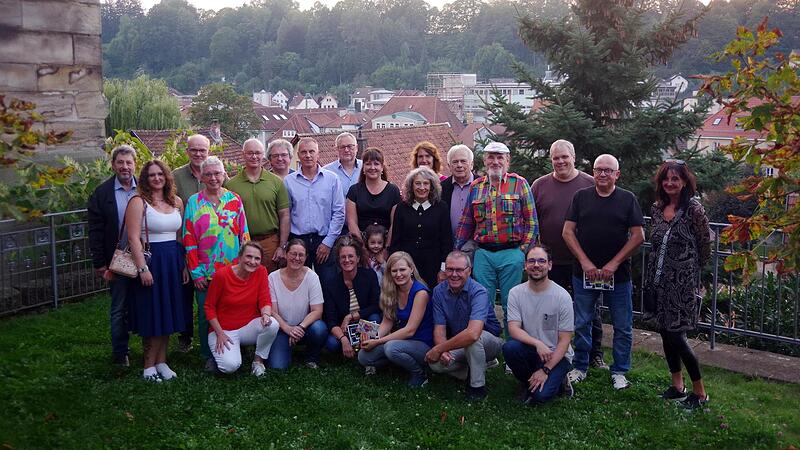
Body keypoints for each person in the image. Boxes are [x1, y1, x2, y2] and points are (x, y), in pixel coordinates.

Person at [563, 154, 644, 390]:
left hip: (617, 276)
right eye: (599, 170)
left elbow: (639, 236)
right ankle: (580, 366)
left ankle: (619, 371)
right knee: (582, 322)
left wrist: (614, 264)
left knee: (622, 325)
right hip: (584, 273)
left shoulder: (627, 199)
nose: (602, 174)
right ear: (593, 172)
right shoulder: (581, 197)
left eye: (608, 170)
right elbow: (568, 232)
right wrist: (585, 262)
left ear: (617, 174)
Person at [532, 139, 607, 369]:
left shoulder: (590, 183)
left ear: (573, 157)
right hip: (550, 262)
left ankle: (594, 353)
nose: (560, 161)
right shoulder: (539, 185)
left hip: (583, 261)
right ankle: (552, 349)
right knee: (548, 308)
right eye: (556, 158)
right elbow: (532, 220)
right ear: (551, 159)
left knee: (589, 309)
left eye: (564, 157)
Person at [644, 160, 711, 409]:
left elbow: (705, 248)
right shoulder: (657, 208)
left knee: (677, 336)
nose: (670, 183)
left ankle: (700, 392)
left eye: (675, 179)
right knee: (665, 333)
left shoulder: (694, 210)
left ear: (684, 182)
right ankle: (677, 386)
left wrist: (689, 275)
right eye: (666, 179)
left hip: (681, 286)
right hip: (659, 283)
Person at [454, 141, 539, 335]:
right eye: (491, 157)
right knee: (483, 303)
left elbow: (532, 222)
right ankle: (489, 347)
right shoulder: (476, 186)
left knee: (512, 304)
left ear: (507, 161)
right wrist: (456, 253)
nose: (495, 161)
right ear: (484, 161)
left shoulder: (519, 183)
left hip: (512, 253)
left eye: (500, 157)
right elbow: (466, 222)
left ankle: (512, 347)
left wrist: (522, 252)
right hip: (483, 254)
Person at [183, 156, 251, 372]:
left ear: (224, 175)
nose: (213, 178)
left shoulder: (235, 200)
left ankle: (236, 348)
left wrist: (245, 267)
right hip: (205, 272)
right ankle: (208, 354)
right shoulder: (194, 202)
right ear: (202, 177)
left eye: (217, 173)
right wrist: (196, 273)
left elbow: (244, 235)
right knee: (206, 315)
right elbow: (189, 238)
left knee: (234, 310)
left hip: (233, 271)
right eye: (209, 174)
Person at [125, 160, 188, 382]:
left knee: (168, 311)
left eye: (160, 174)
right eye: (151, 175)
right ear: (145, 178)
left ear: (166, 176)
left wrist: (183, 264)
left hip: (172, 261)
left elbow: (180, 236)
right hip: (152, 261)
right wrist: (142, 268)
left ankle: (162, 362)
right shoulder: (138, 202)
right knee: (152, 313)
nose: (157, 178)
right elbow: (133, 238)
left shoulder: (176, 202)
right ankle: (148, 366)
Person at [425, 251, 503, 401]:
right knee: (435, 364)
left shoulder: (479, 291)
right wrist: (442, 352)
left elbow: (473, 333)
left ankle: (477, 388)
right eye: (450, 269)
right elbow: (439, 329)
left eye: (459, 270)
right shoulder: (438, 292)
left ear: (469, 270)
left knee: (473, 341)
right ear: (445, 270)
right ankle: (478, 367)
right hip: (460, 343)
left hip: (488, 341)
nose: (454, 274)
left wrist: (439, 348)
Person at [503, 244, 574, 404]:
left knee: (541, 397)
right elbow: (513, 329)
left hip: (557, 355)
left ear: (549, 265)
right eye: (531, 261)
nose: (536, 265)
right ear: (525, 265)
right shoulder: (515, 293)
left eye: (541, 261)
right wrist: (537, 343)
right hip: (532, 349)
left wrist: (546, 369)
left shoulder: (562, 296)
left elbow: (564, 340)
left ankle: (559, 379)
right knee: (510, 348)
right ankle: (526, 382)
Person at [87, 144, 138, 367]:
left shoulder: (145, 188)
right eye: (120, 162)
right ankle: (120, 352)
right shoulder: (102, 193)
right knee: (119, 307)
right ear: (113, 165)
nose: (125, 167)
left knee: (145, 302)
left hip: (145, 257)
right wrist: (100, 263)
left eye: (129, 162)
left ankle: (150, 347)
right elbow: (95, 230)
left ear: (135, 165)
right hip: (117, 259)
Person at [358, 251, 434, 386]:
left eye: (402, 269)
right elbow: (387, 322)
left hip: (422, 343)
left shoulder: (420, 292)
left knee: (391, 348)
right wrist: (371, 338)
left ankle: (420, 373)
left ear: (411, 269)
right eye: (394, 271)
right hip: (401, 341)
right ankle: (399, 364)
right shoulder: (392, 290)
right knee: (363, 356)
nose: (398, 274)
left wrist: (378, 341)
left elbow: (410, 330)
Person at [204, 242, 279, 376]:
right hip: (224, 330)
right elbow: (209, 307)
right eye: (248, 257)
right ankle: (225, 355)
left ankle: (258, 362)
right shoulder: (222, 275)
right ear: (240, 257)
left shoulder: (261, 271)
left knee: (272, 324)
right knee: (230, 366)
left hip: (248, 327)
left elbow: (264, 299)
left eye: (257, 259)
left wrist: (266, 314)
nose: (252, 262)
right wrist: (220, 333)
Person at [172, 134, 213, 353]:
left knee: (213, 294)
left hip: (212, 247)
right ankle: (185, 336)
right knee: (185, 292)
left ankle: (217, 333)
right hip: (184, 243)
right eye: (194, 150)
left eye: (202, 150)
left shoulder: (217, 173)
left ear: (209, 151)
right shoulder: (176, 177)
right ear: (187, 151)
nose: (198, 154)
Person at [226, 138, 290, 272]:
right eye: (250, 153)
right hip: (242, 243)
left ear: (263, 155)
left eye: (258, 153)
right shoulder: (231, 185)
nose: (254, 156)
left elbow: (284, 215)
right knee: (244, 282)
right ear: (243, 154)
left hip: (270, 242)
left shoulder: (276, 182)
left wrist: (282, 246)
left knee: (269, 284)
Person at [284, 137, 345, 274]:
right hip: (298, 241)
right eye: (304, 152)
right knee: (298, 283)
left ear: (318, 154)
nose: (308, 155)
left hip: (324, 240)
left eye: (312, 151)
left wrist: (328, 242)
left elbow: (339, 213)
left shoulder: (332, 179)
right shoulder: (289, 182)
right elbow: (285, 214)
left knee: (329, 285)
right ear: (298, 155)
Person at [267, 239, 328, 369]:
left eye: (301, 255)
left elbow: (317, 311)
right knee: (278, 366)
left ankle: (311, 357)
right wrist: (288, 329)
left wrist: (300, 327)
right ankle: (284, 346)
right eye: (293, 254)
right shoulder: (272, 277)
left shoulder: (312, 277)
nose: (297, 258)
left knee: (320, 328)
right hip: (281, 329)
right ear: (286, 254)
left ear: (306, 257)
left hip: (305, 328)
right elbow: (272, 311)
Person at [388, 167, 452, 288]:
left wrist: (443, 269)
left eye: (426, 183)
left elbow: (446, 242)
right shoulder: (401, 208)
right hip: (407, 267)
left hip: (433, 266)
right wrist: (395, 267)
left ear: (432, 186)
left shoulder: (441, 207)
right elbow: (396, 241)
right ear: (411, 186)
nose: (422, 187)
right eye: (417, 183)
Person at [322, 236, 382, 360]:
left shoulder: (369, 275)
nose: (347, 260)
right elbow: (331, 319)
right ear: (338, 260)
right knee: (332, 344)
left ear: (358, 258)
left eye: (351, 256)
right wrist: (343, 339)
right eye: (343, 257)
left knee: (374, 317)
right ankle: (350, 346)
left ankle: (366, 350)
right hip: (343, 329)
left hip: (364, 323)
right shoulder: (331, 284)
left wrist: (351, 316)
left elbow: (376, 306)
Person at [345, 148, 401, 240]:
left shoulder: (393, 191)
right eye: (368, 164)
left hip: (386, 242)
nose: (372, 167)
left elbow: (394, 224)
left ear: (382, 167)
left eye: (376, 164)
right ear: (363, 168)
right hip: (359, 242)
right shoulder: (354, 191)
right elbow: (352, 223)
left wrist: (386, 248)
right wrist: (362, 248)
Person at [441, 144, 475, 238]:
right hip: (450, 245)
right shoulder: (441, 188)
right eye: (455, 162)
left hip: (477, 246)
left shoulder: (483, 186)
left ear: (471, 164)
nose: (459, 165)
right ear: (449, 166)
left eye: (463, 161)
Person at [324, 132, 362, 200]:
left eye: (350, 146)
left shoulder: (366, 168)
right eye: (342, 147)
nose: (346, 150)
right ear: (337, 149)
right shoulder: (326, 172)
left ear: (356, 148)